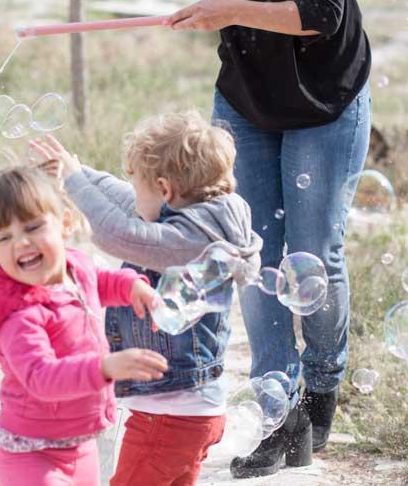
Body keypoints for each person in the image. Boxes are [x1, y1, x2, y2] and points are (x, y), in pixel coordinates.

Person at [170, 0, 373, 478]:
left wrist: (229, 10)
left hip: (326, 98)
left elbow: (323, 12)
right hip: (246, 99)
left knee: (314, 255)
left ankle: (321, 386)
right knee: (250, 256)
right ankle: (279, 416)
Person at [29, 110, 262, 486]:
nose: (134, 193)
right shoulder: (206, 218)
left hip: (168, 417)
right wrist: (79, 172)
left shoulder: (188, 242)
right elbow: (129, 204)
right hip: (192, 412)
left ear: (166, 189)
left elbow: (116, 232)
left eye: (139, 185)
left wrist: (74, 182)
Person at [0, 166, 169, 486]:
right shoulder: (19, 313)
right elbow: (42, 377)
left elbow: (98, 282)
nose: (21, 243)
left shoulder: (75, 265)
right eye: (4, 237)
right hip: (30, 456)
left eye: (33, 227)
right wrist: (105, 367)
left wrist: (132, 287)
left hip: (81, 446)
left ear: (65, 224)